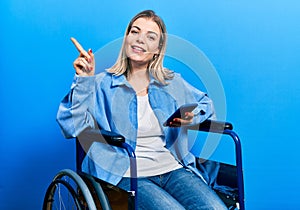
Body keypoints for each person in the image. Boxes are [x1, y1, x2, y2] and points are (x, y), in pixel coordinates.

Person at [57, 10, 227, 210]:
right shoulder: (102, 83)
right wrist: (85, 80)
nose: (139, 40)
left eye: (150, 36)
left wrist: (191, 117)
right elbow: (71, 125)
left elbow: (205, 105)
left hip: (171, 168)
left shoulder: (170, 82)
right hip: (124, 172)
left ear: (158, 48)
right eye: (134, 32)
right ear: (126, 38)